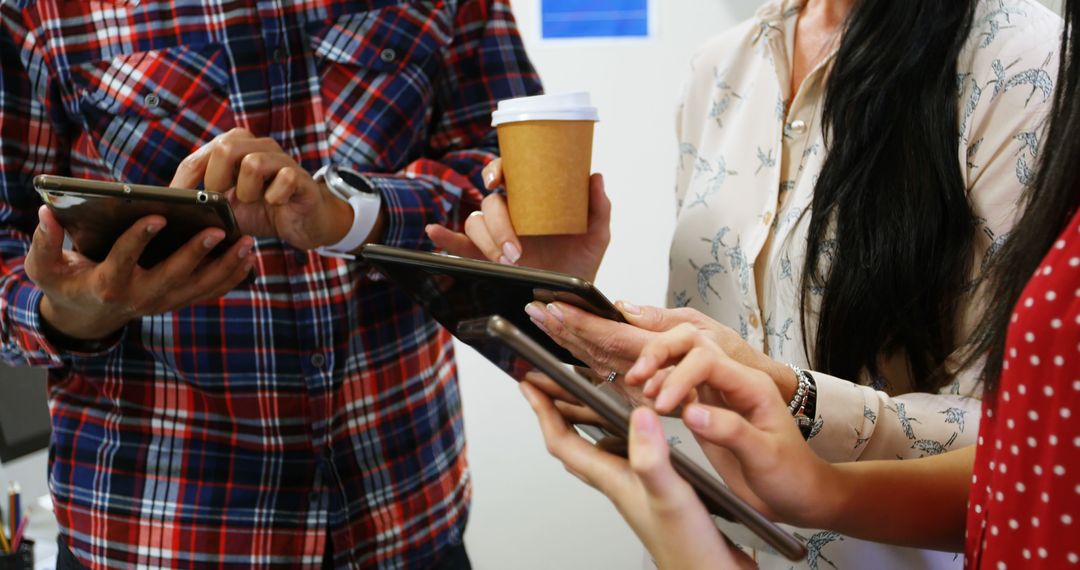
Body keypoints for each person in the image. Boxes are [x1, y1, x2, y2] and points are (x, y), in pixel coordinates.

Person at [430, 0, 1062, 566]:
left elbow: (1028, 445)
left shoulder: (1023, 62)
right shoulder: (722, 66)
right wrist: (563, 291)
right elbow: (697, 385)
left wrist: (791, 396)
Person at [0, 2, 540, 568]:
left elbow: (517, 176)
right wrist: (70, 314)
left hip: (407, 513)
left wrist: (353, 217)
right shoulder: (39, 9)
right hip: (156, 532)